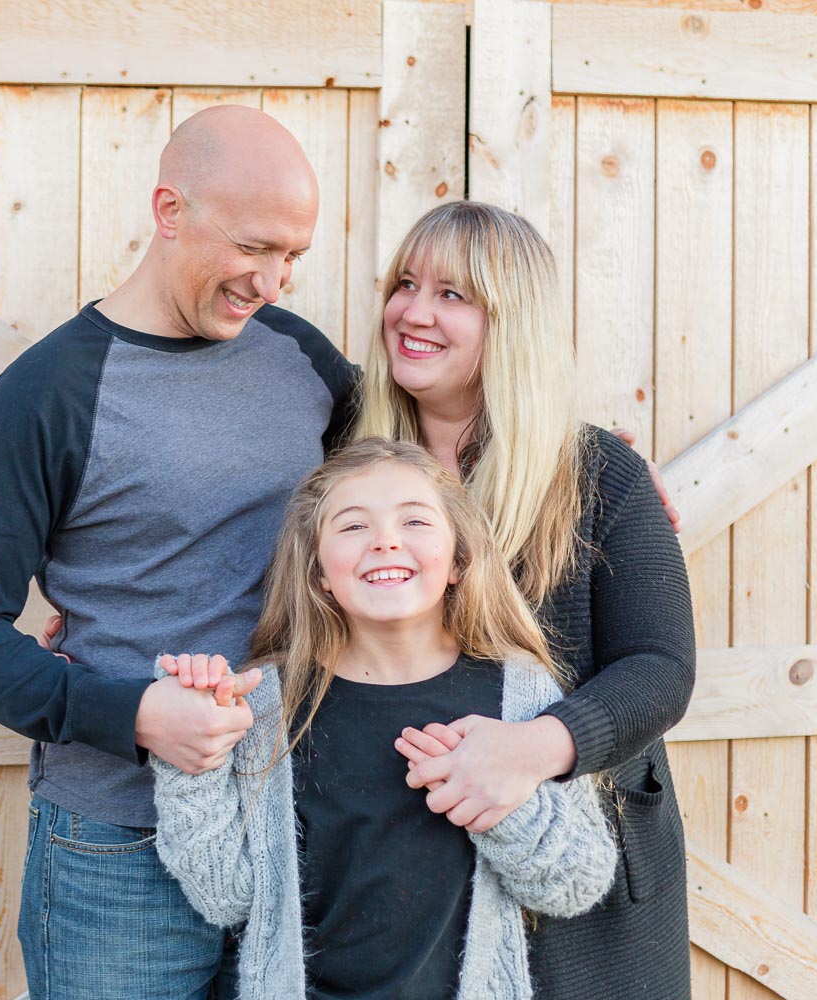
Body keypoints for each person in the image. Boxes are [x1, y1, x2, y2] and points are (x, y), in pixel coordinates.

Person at [0, 105, 359, 999]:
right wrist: (139, 716)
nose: (273, 282)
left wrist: (591, 468)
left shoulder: (303, 361)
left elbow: (410, 501)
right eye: (254, 248)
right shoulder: (47, 393)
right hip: (118, 848)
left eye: (293, 258)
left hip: (292, 823)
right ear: (168, 211)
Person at [355, 200, 696, 998]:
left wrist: (532, 748)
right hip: (400, 866)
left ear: (512, 324)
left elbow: (660, 667)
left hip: (581, 881)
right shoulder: (349, 460)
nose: (413, 311)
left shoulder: (597, 475)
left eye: (453, 295)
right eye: (406, 284)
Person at [151, 438, 618, 999]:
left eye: (415, 520)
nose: (386, 541)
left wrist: (500, 803)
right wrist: (191, 758)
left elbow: (576, 882)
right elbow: (224, 894)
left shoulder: (519, 694)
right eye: (352, 527)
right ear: (319, 571)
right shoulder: (264, 702)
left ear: (457, 559)